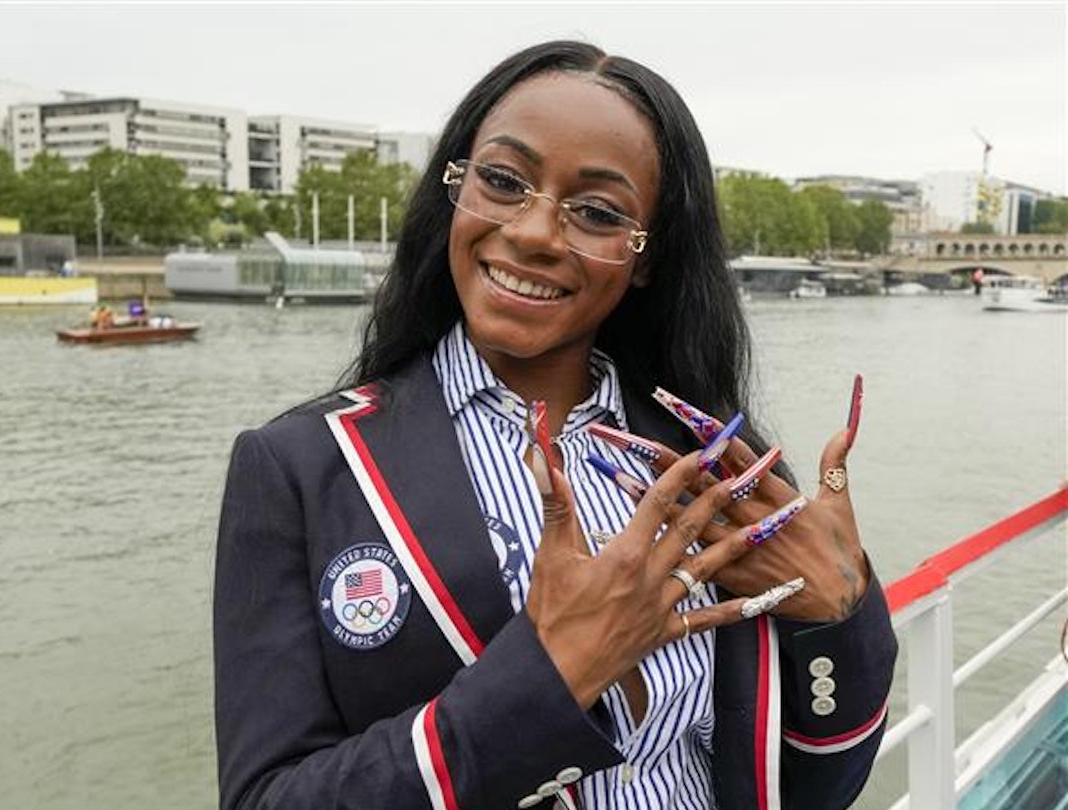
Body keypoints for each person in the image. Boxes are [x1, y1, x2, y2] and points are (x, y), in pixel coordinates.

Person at [214, 40, 896, 810]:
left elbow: (812, 789)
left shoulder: (707, 465)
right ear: (455, 190)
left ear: (645, 259)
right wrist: (551, 675)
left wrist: (843, 611)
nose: (536, 232)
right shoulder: (305, 467)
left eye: (598, 213)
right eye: (502, 181)